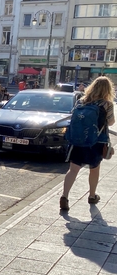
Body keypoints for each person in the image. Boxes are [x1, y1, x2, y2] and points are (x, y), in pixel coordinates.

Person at [60, 76, 115, 210]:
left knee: (73, 170)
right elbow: (111, 122)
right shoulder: (107, 104)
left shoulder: (81, 101)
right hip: (96, 141)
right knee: (94, 169)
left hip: (77, 140)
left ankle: (65, 196)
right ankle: (91, 195)